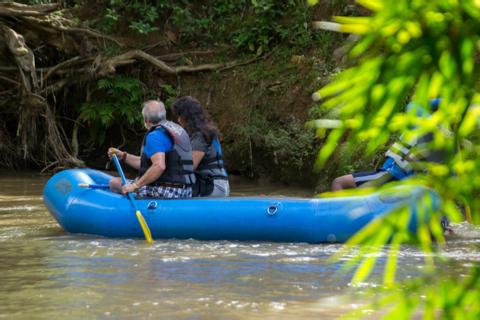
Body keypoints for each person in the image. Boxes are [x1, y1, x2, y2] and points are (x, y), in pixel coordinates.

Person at [331, 99, 444, 191]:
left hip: (391, 175)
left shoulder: (430, 131)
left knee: (339, 182)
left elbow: (413, 158)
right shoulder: (428, 131)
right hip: (395, 176)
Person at [108, 100, 195, 199]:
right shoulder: (175, 131)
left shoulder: (155, 136)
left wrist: (135, 186)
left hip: (165, 191)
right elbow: (147, 163)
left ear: (146, 119)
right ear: (164, 116)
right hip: (186, 191)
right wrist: (123, 156)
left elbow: (159, 166)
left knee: (114, 182)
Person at [171, 96, 230, 197]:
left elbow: (189, 167)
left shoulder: (200, 136)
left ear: (188, 116)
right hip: (218, 184)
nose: (178, 120)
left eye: (180, 115)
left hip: (213, 186)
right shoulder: (205, 132)